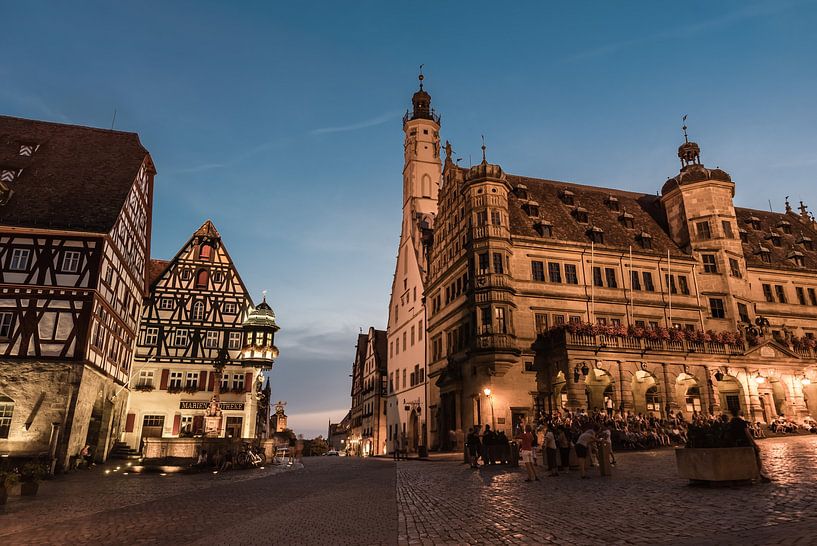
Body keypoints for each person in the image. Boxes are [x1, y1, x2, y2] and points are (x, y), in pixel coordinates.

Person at [726, 410, 771, 482]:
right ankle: (759, 475)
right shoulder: (742, 422)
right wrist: (755, 444)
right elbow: (748, 434)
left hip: (737, 443)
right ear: (738, 412)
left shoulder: (731, 423)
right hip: (745, 442)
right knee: (756, 457)